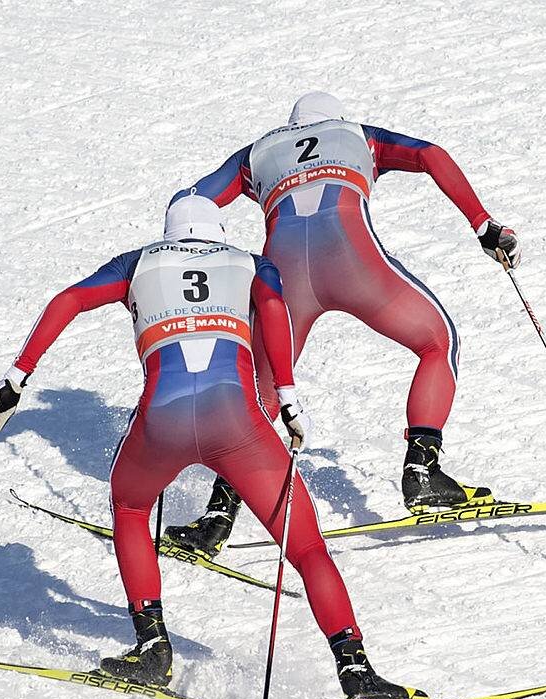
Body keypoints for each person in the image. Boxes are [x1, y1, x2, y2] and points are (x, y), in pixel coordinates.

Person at [0, 195, 430, 699]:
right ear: (216, 230)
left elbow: (67, 300)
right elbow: (277, 312)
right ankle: (357, 672)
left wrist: (15, 380)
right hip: (239, 424)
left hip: (161, 422)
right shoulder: (250, 263)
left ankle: (152, 647)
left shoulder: (139, 261)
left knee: (129, 508)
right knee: (306, 549)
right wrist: (287, 396)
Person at [163, 91, 521, 559]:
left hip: (285, 278)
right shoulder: (357, 135)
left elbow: (190, 200)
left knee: (261, 395)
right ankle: (422, 470)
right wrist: (483, 225)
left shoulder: (257, 153)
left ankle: (215, 518)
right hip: (353, 261)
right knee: (437, 341)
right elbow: (430, 154)